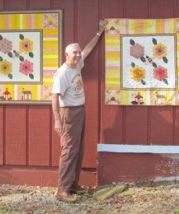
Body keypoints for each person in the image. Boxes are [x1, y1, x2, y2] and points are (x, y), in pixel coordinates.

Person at [51, 20, 107, 202]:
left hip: (79, 111)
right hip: (69, 113)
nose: (77, 55)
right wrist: (57, 120)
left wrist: (99, 33)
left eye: (77, 52)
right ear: (66, 55)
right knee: (68, 150)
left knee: (78, 149)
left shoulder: (77, 65)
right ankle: (62, 190)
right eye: (73, 52)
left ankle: (73, 184)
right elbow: (54, 96)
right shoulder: (63, 73)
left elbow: (88, 50)